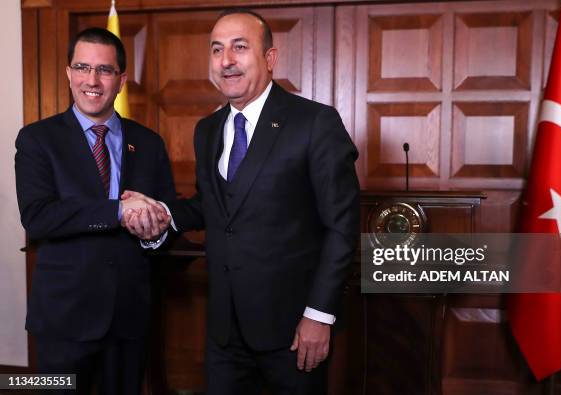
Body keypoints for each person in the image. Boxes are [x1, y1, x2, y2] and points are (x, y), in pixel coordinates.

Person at [123, 9, 360, 394]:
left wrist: (319, 316)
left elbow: (342, 228)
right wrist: (160, 212)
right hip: (224, 331)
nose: (226, 60)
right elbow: (214, 206)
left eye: (239, 47)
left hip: (295, 331)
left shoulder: (315, 123)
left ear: (270, 58)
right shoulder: (208, 129)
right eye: (217, 50)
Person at [14, 27, 175, 395]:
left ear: (120, 80)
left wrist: (154, 232)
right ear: (69, 73)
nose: (92, 80)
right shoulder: (38, 139)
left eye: (104, 70)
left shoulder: (148, 143)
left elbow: (168, 214)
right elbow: (38, 217)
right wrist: (117, 212)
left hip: (128, 318)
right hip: (63, 320)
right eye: (82, 67)